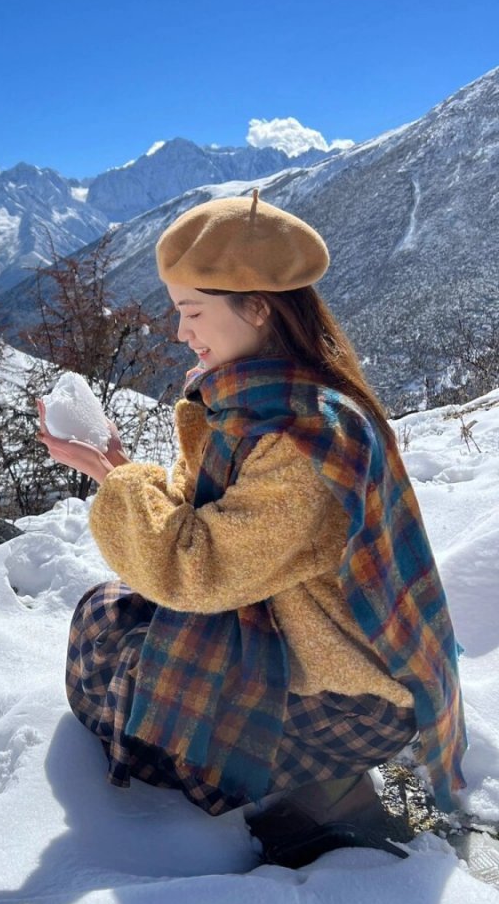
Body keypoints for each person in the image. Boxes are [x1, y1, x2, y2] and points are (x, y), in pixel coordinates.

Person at [36, 191, 466, 867]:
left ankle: (319, 800)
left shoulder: (302, 437)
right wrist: (119, 465)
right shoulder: (257, 396)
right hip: (293, 632)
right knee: (106, 619)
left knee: (119, 686)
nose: (182, 333)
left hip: (353, 697)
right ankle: (305, 787)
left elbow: (194, 569)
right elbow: (206, 518)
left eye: (192, 312)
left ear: (257, 308)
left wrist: (110, 478)